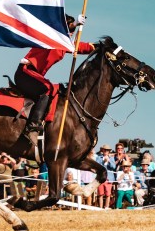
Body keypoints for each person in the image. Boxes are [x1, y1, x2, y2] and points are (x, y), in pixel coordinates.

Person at [13, 14, 94, 144]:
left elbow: (79, 47)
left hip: (36, 75)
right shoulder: (50, 36)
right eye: (69, 29)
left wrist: (97, 47)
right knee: (47, 89)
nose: (71, 33)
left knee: (54, 89)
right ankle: (32, 127)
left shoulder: (62, 44)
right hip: (26, 72)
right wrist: (75, 25)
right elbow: (57, 33)